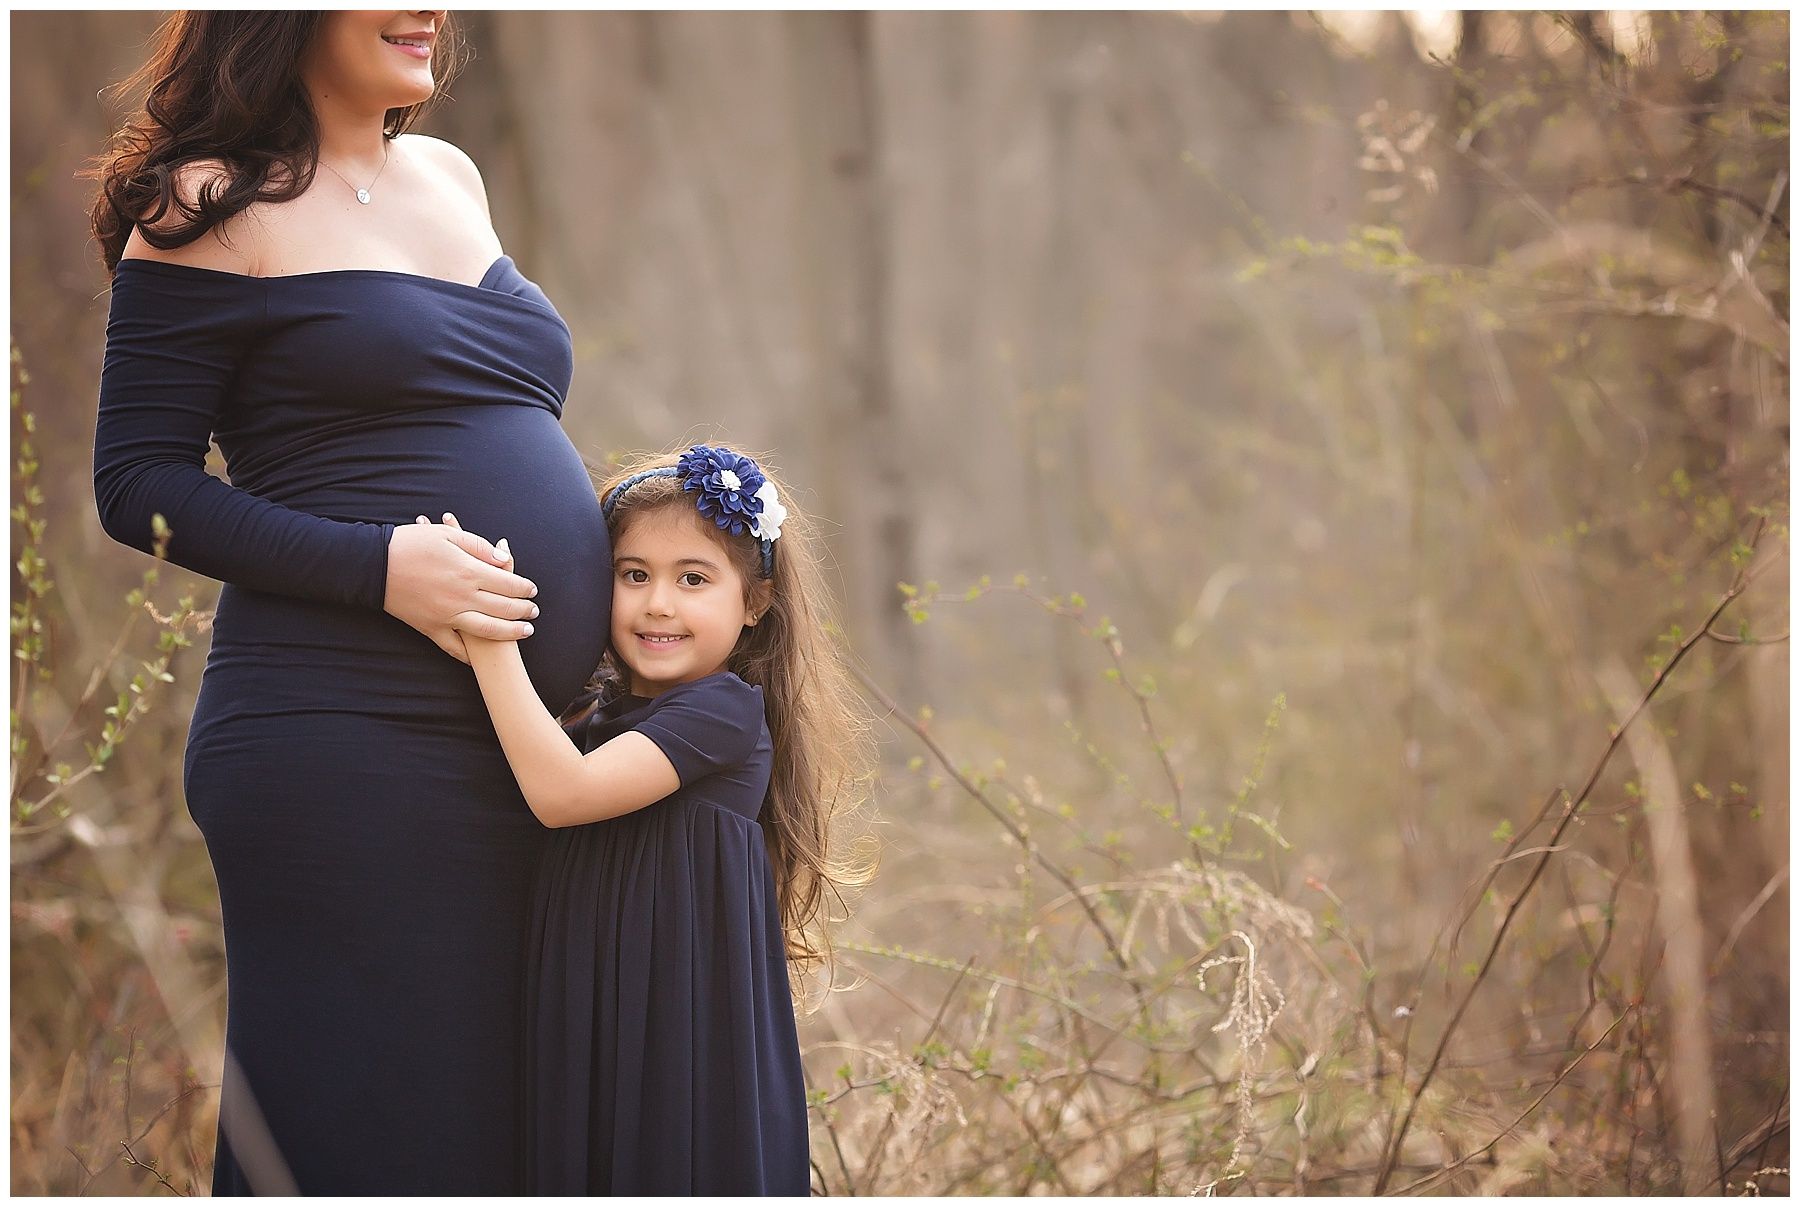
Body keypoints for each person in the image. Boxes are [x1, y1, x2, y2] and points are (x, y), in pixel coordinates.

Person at [85, 12, 610, 1193]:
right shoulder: (206, 200)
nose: (430, 9)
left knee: (497, 1136)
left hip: (529, 744)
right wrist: (380, 568)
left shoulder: (447, 172)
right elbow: (137, 484)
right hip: (342, 740)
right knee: (365, 1128)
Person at [429, 443, 875, 1194]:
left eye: (692, 578)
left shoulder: (723, 710)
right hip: (589, 1017)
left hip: (677, 1035)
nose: (657, 602)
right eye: (633, 574)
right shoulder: (593, 710)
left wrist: (490, 639)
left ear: (755, 602)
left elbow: (562, 792)